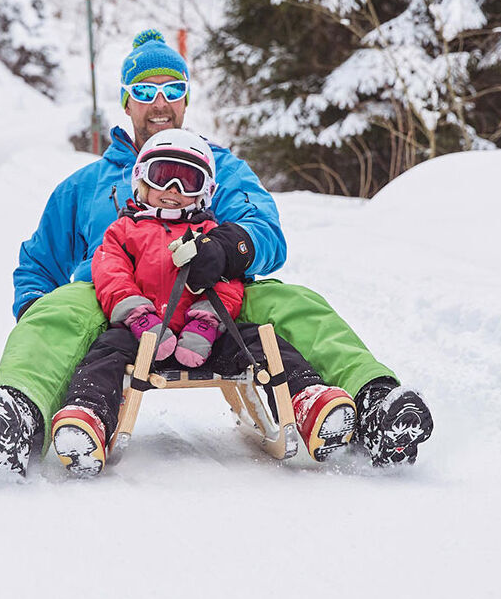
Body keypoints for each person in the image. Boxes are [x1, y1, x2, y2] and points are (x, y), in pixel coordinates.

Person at [0, 29, 432, 476]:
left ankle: (373, 400)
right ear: (126, 101)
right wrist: (41, 321)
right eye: (144, 91)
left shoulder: (219, 167)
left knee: (293, 301)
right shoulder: (87, 185)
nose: (160, 102)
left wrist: (230, 247)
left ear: (186, 99)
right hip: (114, 305)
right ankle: (18, 411)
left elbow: (265, 230)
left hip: (213, 301)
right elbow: (39, 263)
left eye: (172, 90)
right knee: (61, 308)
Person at [50, 130, 356, 477]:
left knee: (258, 340)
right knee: (105, 351)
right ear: (141, 181)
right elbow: (111, 274)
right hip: (140, 333)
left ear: (205, 192)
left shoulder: (210, 234)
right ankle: (87, 414)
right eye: (162, 177)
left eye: (188, 182)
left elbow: (230, 283)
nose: (174, 190)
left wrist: (207, 323)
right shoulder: (122, 231)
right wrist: (137, 316)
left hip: (206, 337)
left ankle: (307, 399)